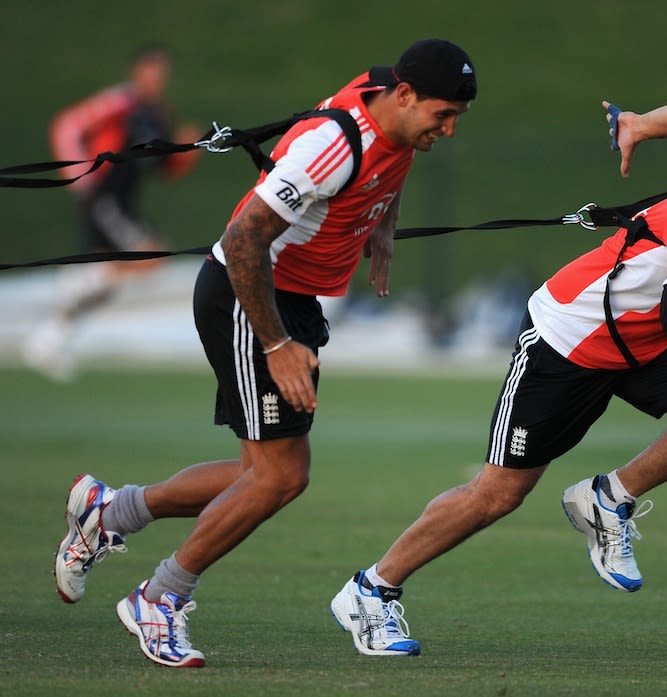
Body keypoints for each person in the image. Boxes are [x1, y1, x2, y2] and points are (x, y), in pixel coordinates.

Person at [328, 99, 667, 656]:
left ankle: (608, 497)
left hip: (644, 337)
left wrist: (639, 126)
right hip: (571, 339)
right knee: (498, 494)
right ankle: (371, 589)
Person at [52, 39, 478, 667]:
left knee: (261, 474)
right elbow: (243, 235)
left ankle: (109, 511)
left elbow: (392, 156)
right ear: (405, 96)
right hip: (253, 296)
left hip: (288, 299)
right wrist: (277, 344)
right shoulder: (331, 149)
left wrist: (380, 220)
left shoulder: (387, 92)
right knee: (281, 476)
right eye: (441, 115)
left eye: (457, 118)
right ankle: (158, 598)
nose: (447, 130)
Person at [22, 44, 201, 381]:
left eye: (162, 74)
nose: (156, 80)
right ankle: (76, 284)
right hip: (105, 196)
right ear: (136, 73)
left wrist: (185, 152)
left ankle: (48, 340)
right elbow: (68, 127)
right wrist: (80, 179)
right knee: (152, 255)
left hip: (124, 200)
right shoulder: (121, 102)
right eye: (150, 73)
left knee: (110, 283)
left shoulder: (160, 113)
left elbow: (163, 168)